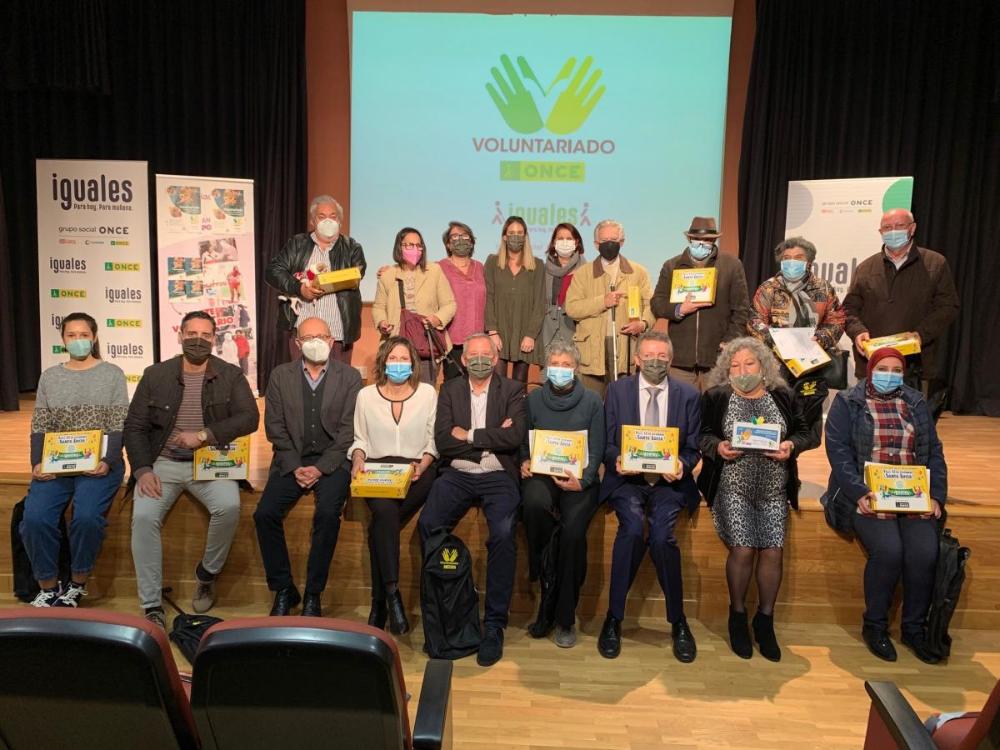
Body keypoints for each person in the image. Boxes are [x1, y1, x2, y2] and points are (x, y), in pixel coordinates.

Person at [125, 311, 259, 627]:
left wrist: (203, 436)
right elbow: (134, 426)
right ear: (181, 335)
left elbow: (249, 418)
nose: (198, 339)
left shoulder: (230, 374)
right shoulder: (156, 374)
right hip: (163, 463)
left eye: (205, 335)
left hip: (210, 462)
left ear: (214, 339)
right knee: (143, 517)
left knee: (229, 506)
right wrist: (143, 470)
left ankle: (207, 574)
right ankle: (151, 603)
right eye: (191, 333)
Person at [823, 347, 946, 664]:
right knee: (889, 551)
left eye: (896, 370)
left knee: (924, 552)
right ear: (871, 369)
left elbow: (933, 453)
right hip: (868, 495)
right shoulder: (848, 401)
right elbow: (839, 454)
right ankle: (875, 626)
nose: (889, 375)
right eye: (884, 368)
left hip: (914, 494)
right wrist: (859, 493)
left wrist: (936, 497)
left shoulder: (915, 402)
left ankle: (914, 629)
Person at [699, 336, 815, 661]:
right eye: (735, 365)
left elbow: (806, 433)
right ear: (727, 370)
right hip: (732, 483)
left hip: (773, 488)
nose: (742, 370)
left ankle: (765, 620)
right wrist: (718, 448)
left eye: (749, 363)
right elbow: (703, 435)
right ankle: (737, 615)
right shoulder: (717, 396)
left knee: (773, 551)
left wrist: (791, 446)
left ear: (763, 366)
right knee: (744, 547)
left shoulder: (783, 396)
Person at [417, 332, 527, 666]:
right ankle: (448, 610)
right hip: (457, 473)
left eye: (487, 355)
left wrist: (470, 435)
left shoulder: (512, 390)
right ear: (464, 360)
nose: (480, 360)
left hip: (498, 475)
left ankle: (494, 623)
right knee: (428, 524)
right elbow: (444, 442)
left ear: (496, 358)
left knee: (505, 535)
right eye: (473, 355)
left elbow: (514, 436)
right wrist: (490, 440)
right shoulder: (449, 389)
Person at [597, 331, 701, 663]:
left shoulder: (688, 394)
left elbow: (693, 447)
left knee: (661, 537)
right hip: (628, 481)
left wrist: (681, 466)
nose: (655, 360)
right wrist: (616, 459)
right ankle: (614, 617)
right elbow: (609, 440)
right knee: (629, 530)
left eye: (662, 356)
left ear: (670, 360)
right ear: (637, 359)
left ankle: (678, 620)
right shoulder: (617, 391)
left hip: (668, 483)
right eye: (649, 355)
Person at [253, 317, 361, 618]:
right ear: (298, 343)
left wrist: (322, 468)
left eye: (322, 336)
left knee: (327, 514)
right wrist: (294, 464)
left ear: (331, 341)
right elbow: (274, 426)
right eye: (308, 336)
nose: (316, 341)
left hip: (332, 461)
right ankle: (284, 588)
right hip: (292, 460)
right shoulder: (280, 375)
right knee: (264, 514)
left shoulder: (350, 377)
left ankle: (314, 592)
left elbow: (348, 431)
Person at [21, 313, 128, 607]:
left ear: (93, 338)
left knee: (87, 518)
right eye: (72, 335)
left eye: (84, 335)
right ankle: (48, 587)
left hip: (99, 464)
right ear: (63, 340)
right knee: (34, 518)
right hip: (56, 464)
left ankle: (76, 584)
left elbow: (118, 423)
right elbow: (40, 423)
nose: (78, 341)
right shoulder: (50, 377)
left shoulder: (112, 374)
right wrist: (36, 462)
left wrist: (107, 460)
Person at [350, 336, 438, 635]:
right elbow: (359, 439)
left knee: (380, 526)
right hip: (377, 470)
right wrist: (358, 458)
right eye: (393, 358)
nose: (398, 364)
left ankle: (380, 602)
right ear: (383, 361)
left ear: (413, 364)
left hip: (418, 469)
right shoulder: (366, 397)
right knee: (385, 514)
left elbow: (433, 439)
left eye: (404, 359)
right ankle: (392, 594)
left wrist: (424, 463)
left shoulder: (427, 393)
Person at [520, 341, 604, 647]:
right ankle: (546, 594)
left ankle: (565, 616)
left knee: (572, 533)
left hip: (578, 479)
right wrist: (524, 462)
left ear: (576, 369)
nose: (559, 370)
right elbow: (523, 441)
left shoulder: (593, 401)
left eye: (566, 364)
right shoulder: (534, 400)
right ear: (545, 368)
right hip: (541, 474)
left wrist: (584, 479)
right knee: (533, 504)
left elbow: (596, 448)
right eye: (554, 363)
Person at [843, 208, 959, 399]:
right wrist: (857, 332)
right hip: (872, 364)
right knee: (868, 423)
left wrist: (921, 334)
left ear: (912, 229)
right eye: (887, 227)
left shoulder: (935, 263)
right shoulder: (865, 267)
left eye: (899, 226)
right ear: (880, 232)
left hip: (915, 365)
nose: (893, 231)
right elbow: (848, 309)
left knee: (914, 424)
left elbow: (948, 307)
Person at [747, 236, 846, 444]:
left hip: (810, 366)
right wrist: (773, 339)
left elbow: (836, 320)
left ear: (809, 262)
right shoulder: (769, 288)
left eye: (798, 257)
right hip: (775, 365)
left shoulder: (823, 288)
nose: (791, 261)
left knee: (805, 423)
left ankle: (794, 460)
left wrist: (820, 339)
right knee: (773, 419)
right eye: (787, 257)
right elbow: (754, 319)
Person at [650, 216, 751, 391]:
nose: (701, 243)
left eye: (707, 240)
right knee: (681, 411)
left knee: (713, 411)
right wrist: (679, 309)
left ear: (714, 240)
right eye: (697, 239)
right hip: (680, 359)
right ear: (690, 239)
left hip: (716, 358)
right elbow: (657, 303)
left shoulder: (731, 265)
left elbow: (741, 310)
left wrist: (729, 341)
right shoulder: (672, 265)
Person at [265, 195, 367, 363]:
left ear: (340, 221)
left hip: (337, 333)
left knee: (338, 384)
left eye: (333, 217)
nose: (328, 221)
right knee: (300, 383)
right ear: (313, 221)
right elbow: (273, 271)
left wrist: (324, 282)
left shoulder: (352, 248)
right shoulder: (297, 244)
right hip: (303, 333)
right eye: (322, 216)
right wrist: (300, 288)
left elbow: (357, 274)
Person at [565, 219, 654, 396]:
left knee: (622, 405)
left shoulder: (638, 272)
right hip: (592, 351)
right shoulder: (583, 273)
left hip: (625, 347)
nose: (609, 244)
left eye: (614, 239)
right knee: (592, 405)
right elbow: (572, 307)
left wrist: (643, 324)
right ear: (596, 244)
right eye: (604, 241)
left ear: (622, 242)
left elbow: (650, 305)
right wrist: (602, 302)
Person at [372, 227, 457, 383]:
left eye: (418, 245)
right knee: (395, 391)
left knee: (424, 393)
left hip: (426, 343)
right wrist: (382, 322)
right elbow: (378, 307)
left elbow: (450, 304)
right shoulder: (388, 275)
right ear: (399, 247)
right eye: (409, 245)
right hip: (396, 344)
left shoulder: (434, 271)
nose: (415, 249)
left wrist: (437, 319)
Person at [484, 216, 544, 382]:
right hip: (498, 333)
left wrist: (531, 334)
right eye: (511, 233)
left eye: (519, 233)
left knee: (519, 385)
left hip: (525, 333)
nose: (515, 237)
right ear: (504, 236)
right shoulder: (492, 262)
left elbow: (540, 303)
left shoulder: (537, 265)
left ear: (525, 237)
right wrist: (493, 331)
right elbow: (488, 297)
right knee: (497, 383)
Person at [437, 221, 486, 369]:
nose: (460, 239)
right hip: (451, 340)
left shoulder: (480, 267)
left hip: (478, 341)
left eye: (465, 236)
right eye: (455, 236)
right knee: (454, 384)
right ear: (447, 244)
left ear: (471, 242)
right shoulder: (438, 268)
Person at [539, 222, 585, 352]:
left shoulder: (586, 270)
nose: (565, 242)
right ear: (554, 243)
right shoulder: (543, 269)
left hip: (575, 333)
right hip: (548, 334)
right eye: (560, 238)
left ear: (576, 242)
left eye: (569, 238)